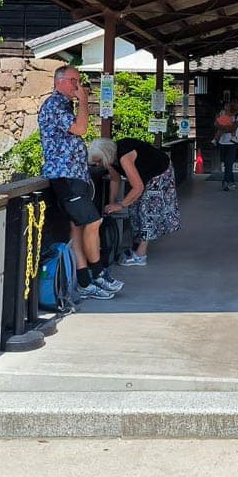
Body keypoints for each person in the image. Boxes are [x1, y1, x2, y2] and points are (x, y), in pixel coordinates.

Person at [38, 65, 124, 300]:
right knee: (94, 221)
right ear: (60, 82)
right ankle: (98, 273)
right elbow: (81, 128)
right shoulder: (54, 104)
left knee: (77, 229)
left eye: (78, 80)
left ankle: (85, 282)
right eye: (73, 80)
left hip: (76, 176)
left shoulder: (65, 105)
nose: (78, 85)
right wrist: (84, 102)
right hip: (65, 177)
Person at [89, 137, 181, 266]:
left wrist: (120, 205)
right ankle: (137, 245)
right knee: (134, 208)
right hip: (144, 175)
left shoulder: (124, 157)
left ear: (105, 155)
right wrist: (111, 204)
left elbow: (138, 187)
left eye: (98, 161)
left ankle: (140, 255)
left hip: (160, 172)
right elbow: (115, 180)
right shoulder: (110, 159)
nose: (98, 165)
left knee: (147, 210)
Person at [214, 99, 238, 191]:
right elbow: (216, 123)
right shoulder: (223, 112)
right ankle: (231, 181)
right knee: (226, 163)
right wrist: (224, 127)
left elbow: (234, 127)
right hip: (222, 141)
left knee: (229, 162)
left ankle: (225, 182)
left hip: (233, 142)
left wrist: (223, 128)